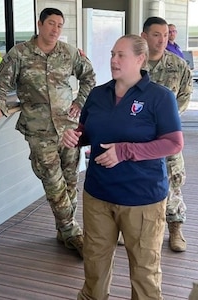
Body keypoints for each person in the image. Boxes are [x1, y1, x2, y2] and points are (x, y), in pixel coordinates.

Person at [62, 34, 183, 299]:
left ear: (140, 59)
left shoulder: (159, 97)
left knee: (144, 270)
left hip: (141, 199)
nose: (113, 60)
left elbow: (174, 143)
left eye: (121, 55)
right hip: (98, 195)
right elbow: (88, 131)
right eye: (112, 54)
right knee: (95, 264)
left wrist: (125, 151)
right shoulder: (97, 94)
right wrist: (76, 137)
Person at [0, 7, 96, 258]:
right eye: (51, 23)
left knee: (70, 182)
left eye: (60, 25)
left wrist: (81, 101)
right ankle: (73, 232)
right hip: (39, 130)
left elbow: (89, 77)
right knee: (54, 184)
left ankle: (63, 230)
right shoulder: (19, 54)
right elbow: (0, 84)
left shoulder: (69, 52)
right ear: (39, 24)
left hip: (68, 127)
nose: (55, 29)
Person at [142, 16, 193, 252]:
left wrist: (166, 122)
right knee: (137, 179)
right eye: (156, 34)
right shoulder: (134, 63)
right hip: (139, 136)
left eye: (165, 35)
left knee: (173, 179)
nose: (162, 39)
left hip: (168, 136)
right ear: (144, 36)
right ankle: (134, 226)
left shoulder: (178, 65)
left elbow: (184, 96)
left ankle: (175, 228)